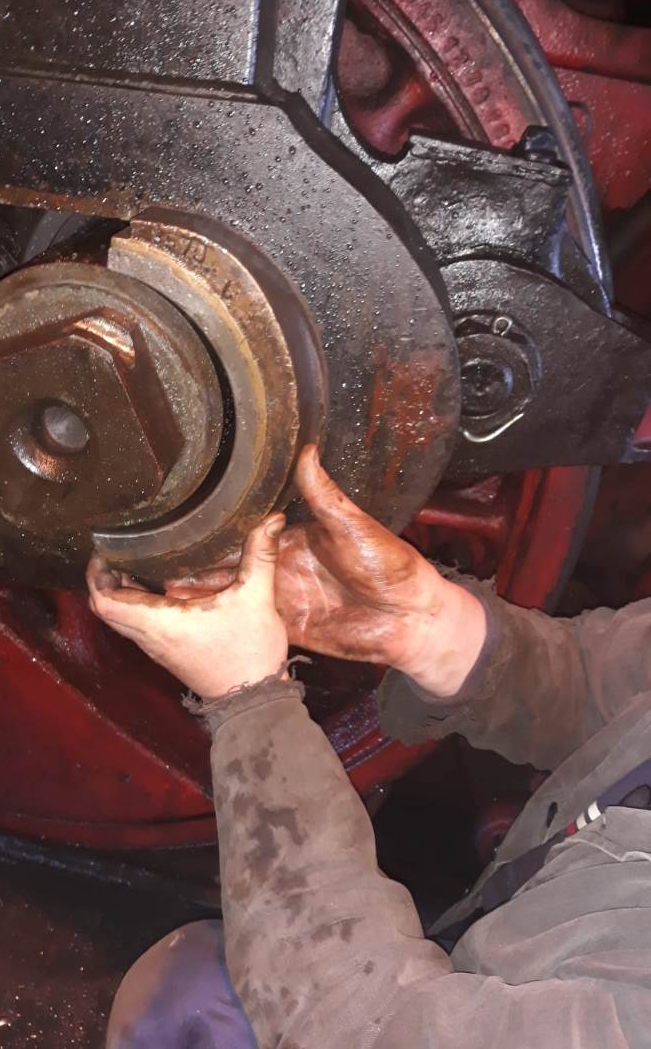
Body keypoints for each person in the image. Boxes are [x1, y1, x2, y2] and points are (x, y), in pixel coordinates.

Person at [87, 444, 651, 1048]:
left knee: (186, 1014)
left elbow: (373, 1029)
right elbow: (600, 685)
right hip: (505, 917)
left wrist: (247, 699)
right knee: (197, 981)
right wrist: (432, 629)